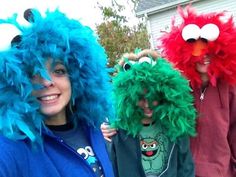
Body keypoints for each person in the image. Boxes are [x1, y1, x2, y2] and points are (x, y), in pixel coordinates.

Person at [0, 9, 114, 177]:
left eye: (59, 71)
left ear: (77, 78)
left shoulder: (91, 127)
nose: (46, 82)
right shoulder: (12, 146)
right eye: (33, 74)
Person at [159, 5, 236, 177]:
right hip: (184, 170)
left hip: (221, 172)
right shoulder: (178, 88)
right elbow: (151, 113)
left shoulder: (230, 89)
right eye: (197, 52)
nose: (203, 56)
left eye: (209, 52)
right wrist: (117, 126)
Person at [106, 49, 197, 177]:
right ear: (129, 98)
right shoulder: (119, 133)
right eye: (140, 98)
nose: (147, 105)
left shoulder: (174, 126)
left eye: (152, 97)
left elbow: (186, 169)